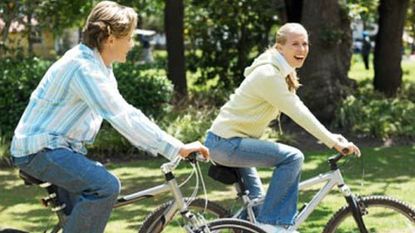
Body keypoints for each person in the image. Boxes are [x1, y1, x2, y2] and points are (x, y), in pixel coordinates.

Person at [9, 1, 208, 233]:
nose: (132, 45)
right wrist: (177, 147)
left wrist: (172, 145)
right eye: (129, 38)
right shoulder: (83, 68)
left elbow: (125, 112)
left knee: (86, 216)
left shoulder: (99, 66)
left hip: (56, 150)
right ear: (111, 38)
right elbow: (123, 116)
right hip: (39, 151)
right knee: (105, 187)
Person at [204, 23, 360, 233]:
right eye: (295, 44)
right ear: (279, 48)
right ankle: (274, 225)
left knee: (257, 207)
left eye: (305, 43)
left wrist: (333, 138)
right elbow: (298, 112)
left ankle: (247, 226)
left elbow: (297, 108)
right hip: (226, 144)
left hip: (228, 142)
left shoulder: (279, 71)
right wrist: (333, 142)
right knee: (293, 157)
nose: (302, 49)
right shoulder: (269, 75)